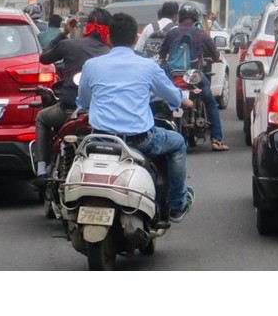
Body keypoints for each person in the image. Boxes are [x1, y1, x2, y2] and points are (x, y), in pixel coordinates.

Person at [77, 12, 195, 223]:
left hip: (100, 140)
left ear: (109, 38)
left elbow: (84, 101)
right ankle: (177, 204)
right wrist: (182, 100)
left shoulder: (91, 66)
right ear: (134, 39)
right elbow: (171, 94)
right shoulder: (148, 67)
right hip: (139, 140)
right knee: (177, 143)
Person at [32, 8, 112, 185]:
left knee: (41, 118)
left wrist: (63, 33)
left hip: (69, 111)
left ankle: (42, 171)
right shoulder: (111, 53)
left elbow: (44, 57)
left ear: (86, 27)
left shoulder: (69, 45)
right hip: (103, 115)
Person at [159, 4, 229, 151]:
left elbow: (161, 54)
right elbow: (216, 55)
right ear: (196, 18)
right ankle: (217, 140)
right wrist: (217, 59)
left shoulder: (172, 33)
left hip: (174, 76)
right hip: (193, 76)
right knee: (211, 102)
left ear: (180, 18)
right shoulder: (201, 34)